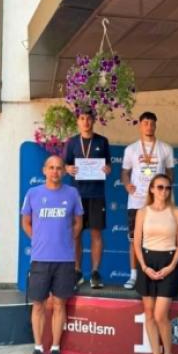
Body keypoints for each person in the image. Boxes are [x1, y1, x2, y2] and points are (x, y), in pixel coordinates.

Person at [20, 155, 84, 354]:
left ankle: (55, 349)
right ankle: (38, 349)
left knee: (59, 304)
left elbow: (78, 223)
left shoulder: (72, 193)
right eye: (51, 167)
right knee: (38, 304)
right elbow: (26, 222)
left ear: (64, 172)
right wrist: (38, 239)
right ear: (44, 170)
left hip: (64, 260)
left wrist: (66, 240)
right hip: (40, 259)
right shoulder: (33, 193)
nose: (55, 171)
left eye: (58, 168)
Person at [133, 174, 178, 354]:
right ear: (152, 189)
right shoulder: (142, 212)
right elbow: (137, 243)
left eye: (167, 188)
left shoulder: (176, 212)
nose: (164, 191)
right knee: (149, 314)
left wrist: (171, 266)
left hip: (169, 263)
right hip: (147, 263)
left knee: (160, 315)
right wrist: (144, 267)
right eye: (160, 187)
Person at [121, 111, 175, 289]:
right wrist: (127, 184)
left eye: (152, 123)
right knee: (134, 240)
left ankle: (158, 274)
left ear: (155, 125)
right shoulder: (131, 149)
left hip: (158, 203)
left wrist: (164, 190)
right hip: (136, 201)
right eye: (145, 123)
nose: (149, 126)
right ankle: (133, 275)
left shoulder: (166, 148)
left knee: (159, 238)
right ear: (140, 125)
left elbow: (170, 173)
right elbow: (125, 172)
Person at [64, 111, 111, 289]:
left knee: (96, 233)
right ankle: (77, 271)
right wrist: (68, 169)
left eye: (89, 118)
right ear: (78, 121)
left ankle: (95, 272)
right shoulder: (72, 142)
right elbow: (65, 164)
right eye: (82, 118)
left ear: (93, 121)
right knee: (76, 234)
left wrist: (107, 169)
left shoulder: (102, 141)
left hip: (96, 194)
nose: (86, 122)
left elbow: (108, 165)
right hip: (76, 195)